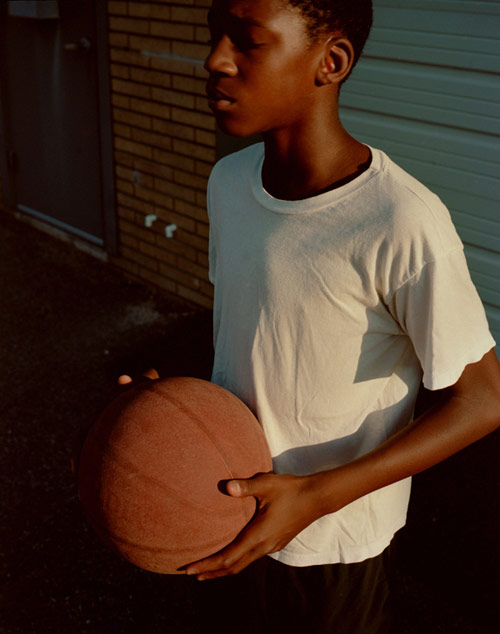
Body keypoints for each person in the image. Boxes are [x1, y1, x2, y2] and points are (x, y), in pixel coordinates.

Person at [122, 1, 500, 632]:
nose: (215, 60)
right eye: (214, 36)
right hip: (229, 514)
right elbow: (260, 335)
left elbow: (483, 399)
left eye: (247, 41)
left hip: (333, 546)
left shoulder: (399, 220)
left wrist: (316, 496)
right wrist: (170, 409)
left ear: (332, 61)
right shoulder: (228, 182)